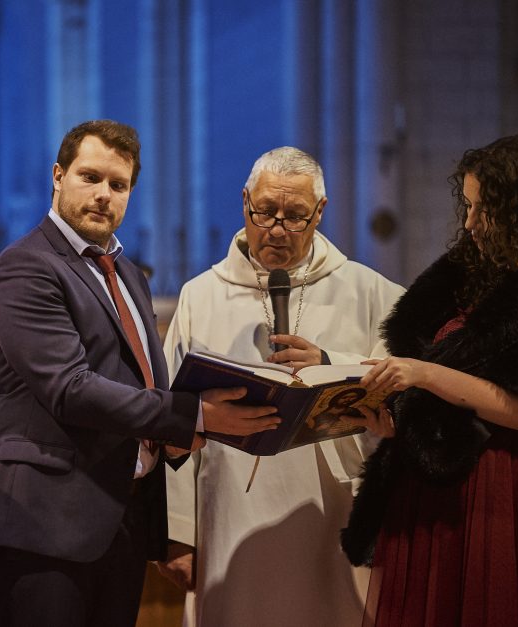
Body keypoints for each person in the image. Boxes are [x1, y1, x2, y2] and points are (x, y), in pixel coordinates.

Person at [0, 119, 281, 627]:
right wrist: (193, 416)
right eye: (89, 177)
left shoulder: (128, 273)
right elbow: (70, 389)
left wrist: (174, 438)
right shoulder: (26, 266)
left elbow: (142, 380)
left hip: (120, 515)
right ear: (58, 175)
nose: (103, 195)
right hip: (46, 523)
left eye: (118, 185)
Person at [160, 146, 404, 626]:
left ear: (320, 213)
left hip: (332, 511)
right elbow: (173, 418)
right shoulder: (200, 295)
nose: (276, 229)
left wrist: (333, 364)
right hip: (229, 510)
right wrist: (178, 532)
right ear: (244, 200)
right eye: (265, 211)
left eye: (295, 217)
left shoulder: (371, 292)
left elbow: (409, 386)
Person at [342, 132, 518, 626]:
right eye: (467, 206)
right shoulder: (468, 271)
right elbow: (427, 365)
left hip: (500, 486)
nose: (469, 223)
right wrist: (394, 412)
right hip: (430, 479)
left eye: (483, 210)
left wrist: (428, 376)